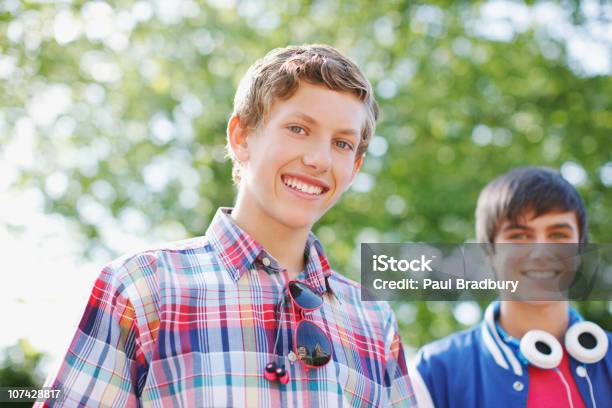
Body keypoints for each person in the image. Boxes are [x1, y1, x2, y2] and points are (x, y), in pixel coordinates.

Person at [37, 45, 416, 407]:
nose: (318, 159)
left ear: (355, 169)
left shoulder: (373, 321)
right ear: (242, 137)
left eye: (342, 144)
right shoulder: (143, 287)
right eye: (298, 129)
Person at [411, 167, 611, 408]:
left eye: (558, 235)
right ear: (488, 252)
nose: (541, 252)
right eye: (519, 236)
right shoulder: (432, 372)